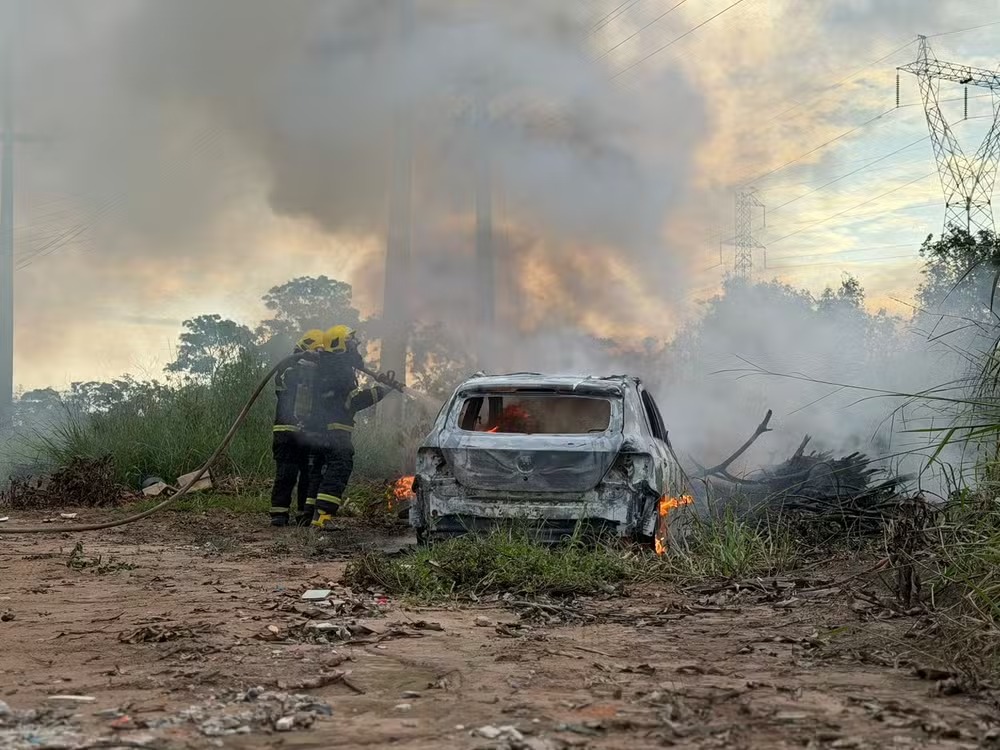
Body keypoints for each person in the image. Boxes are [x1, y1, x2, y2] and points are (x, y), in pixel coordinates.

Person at [308, 325, 390, 530]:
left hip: (318, 431)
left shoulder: (326, 366)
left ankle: (310, 516)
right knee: (339, 468)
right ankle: (323, 519)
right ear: (340, 345)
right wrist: (383, 391)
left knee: (319, 471)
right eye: (352, 342)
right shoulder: (340, 370)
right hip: (336, 431)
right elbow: (355, 401)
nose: (356, 346)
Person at [269, 329, 325, 528]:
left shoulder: (320, 373)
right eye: (318, 350)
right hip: (286, 432)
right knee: (286, 473)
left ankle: (304, 514)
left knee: (309, 476)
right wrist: (305, 360)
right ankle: (279, 513)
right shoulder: (288, 368)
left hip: (308, 433)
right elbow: (286, 378)